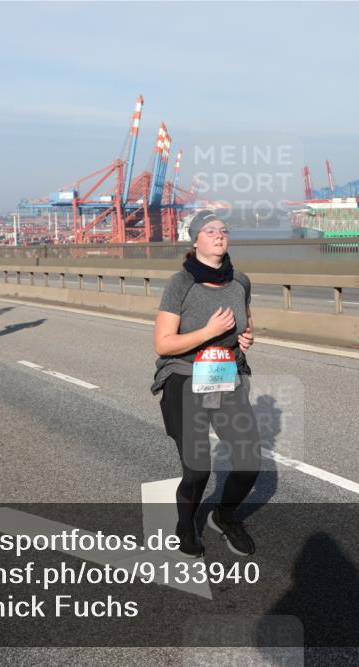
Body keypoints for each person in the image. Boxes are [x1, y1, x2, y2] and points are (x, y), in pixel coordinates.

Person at [151, 211, 260, 558]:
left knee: (248, 462)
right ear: (195, 239)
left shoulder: (240, 281)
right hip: (184, 377)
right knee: (198, 467)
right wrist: (207, 333)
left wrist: (245, 336)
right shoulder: (180, 284)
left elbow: (245, 321)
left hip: (226, 377)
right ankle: (186, 524)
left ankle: (224, 516)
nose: (218, 235)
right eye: (209, 230)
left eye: (223, 230)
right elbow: (163, 344)